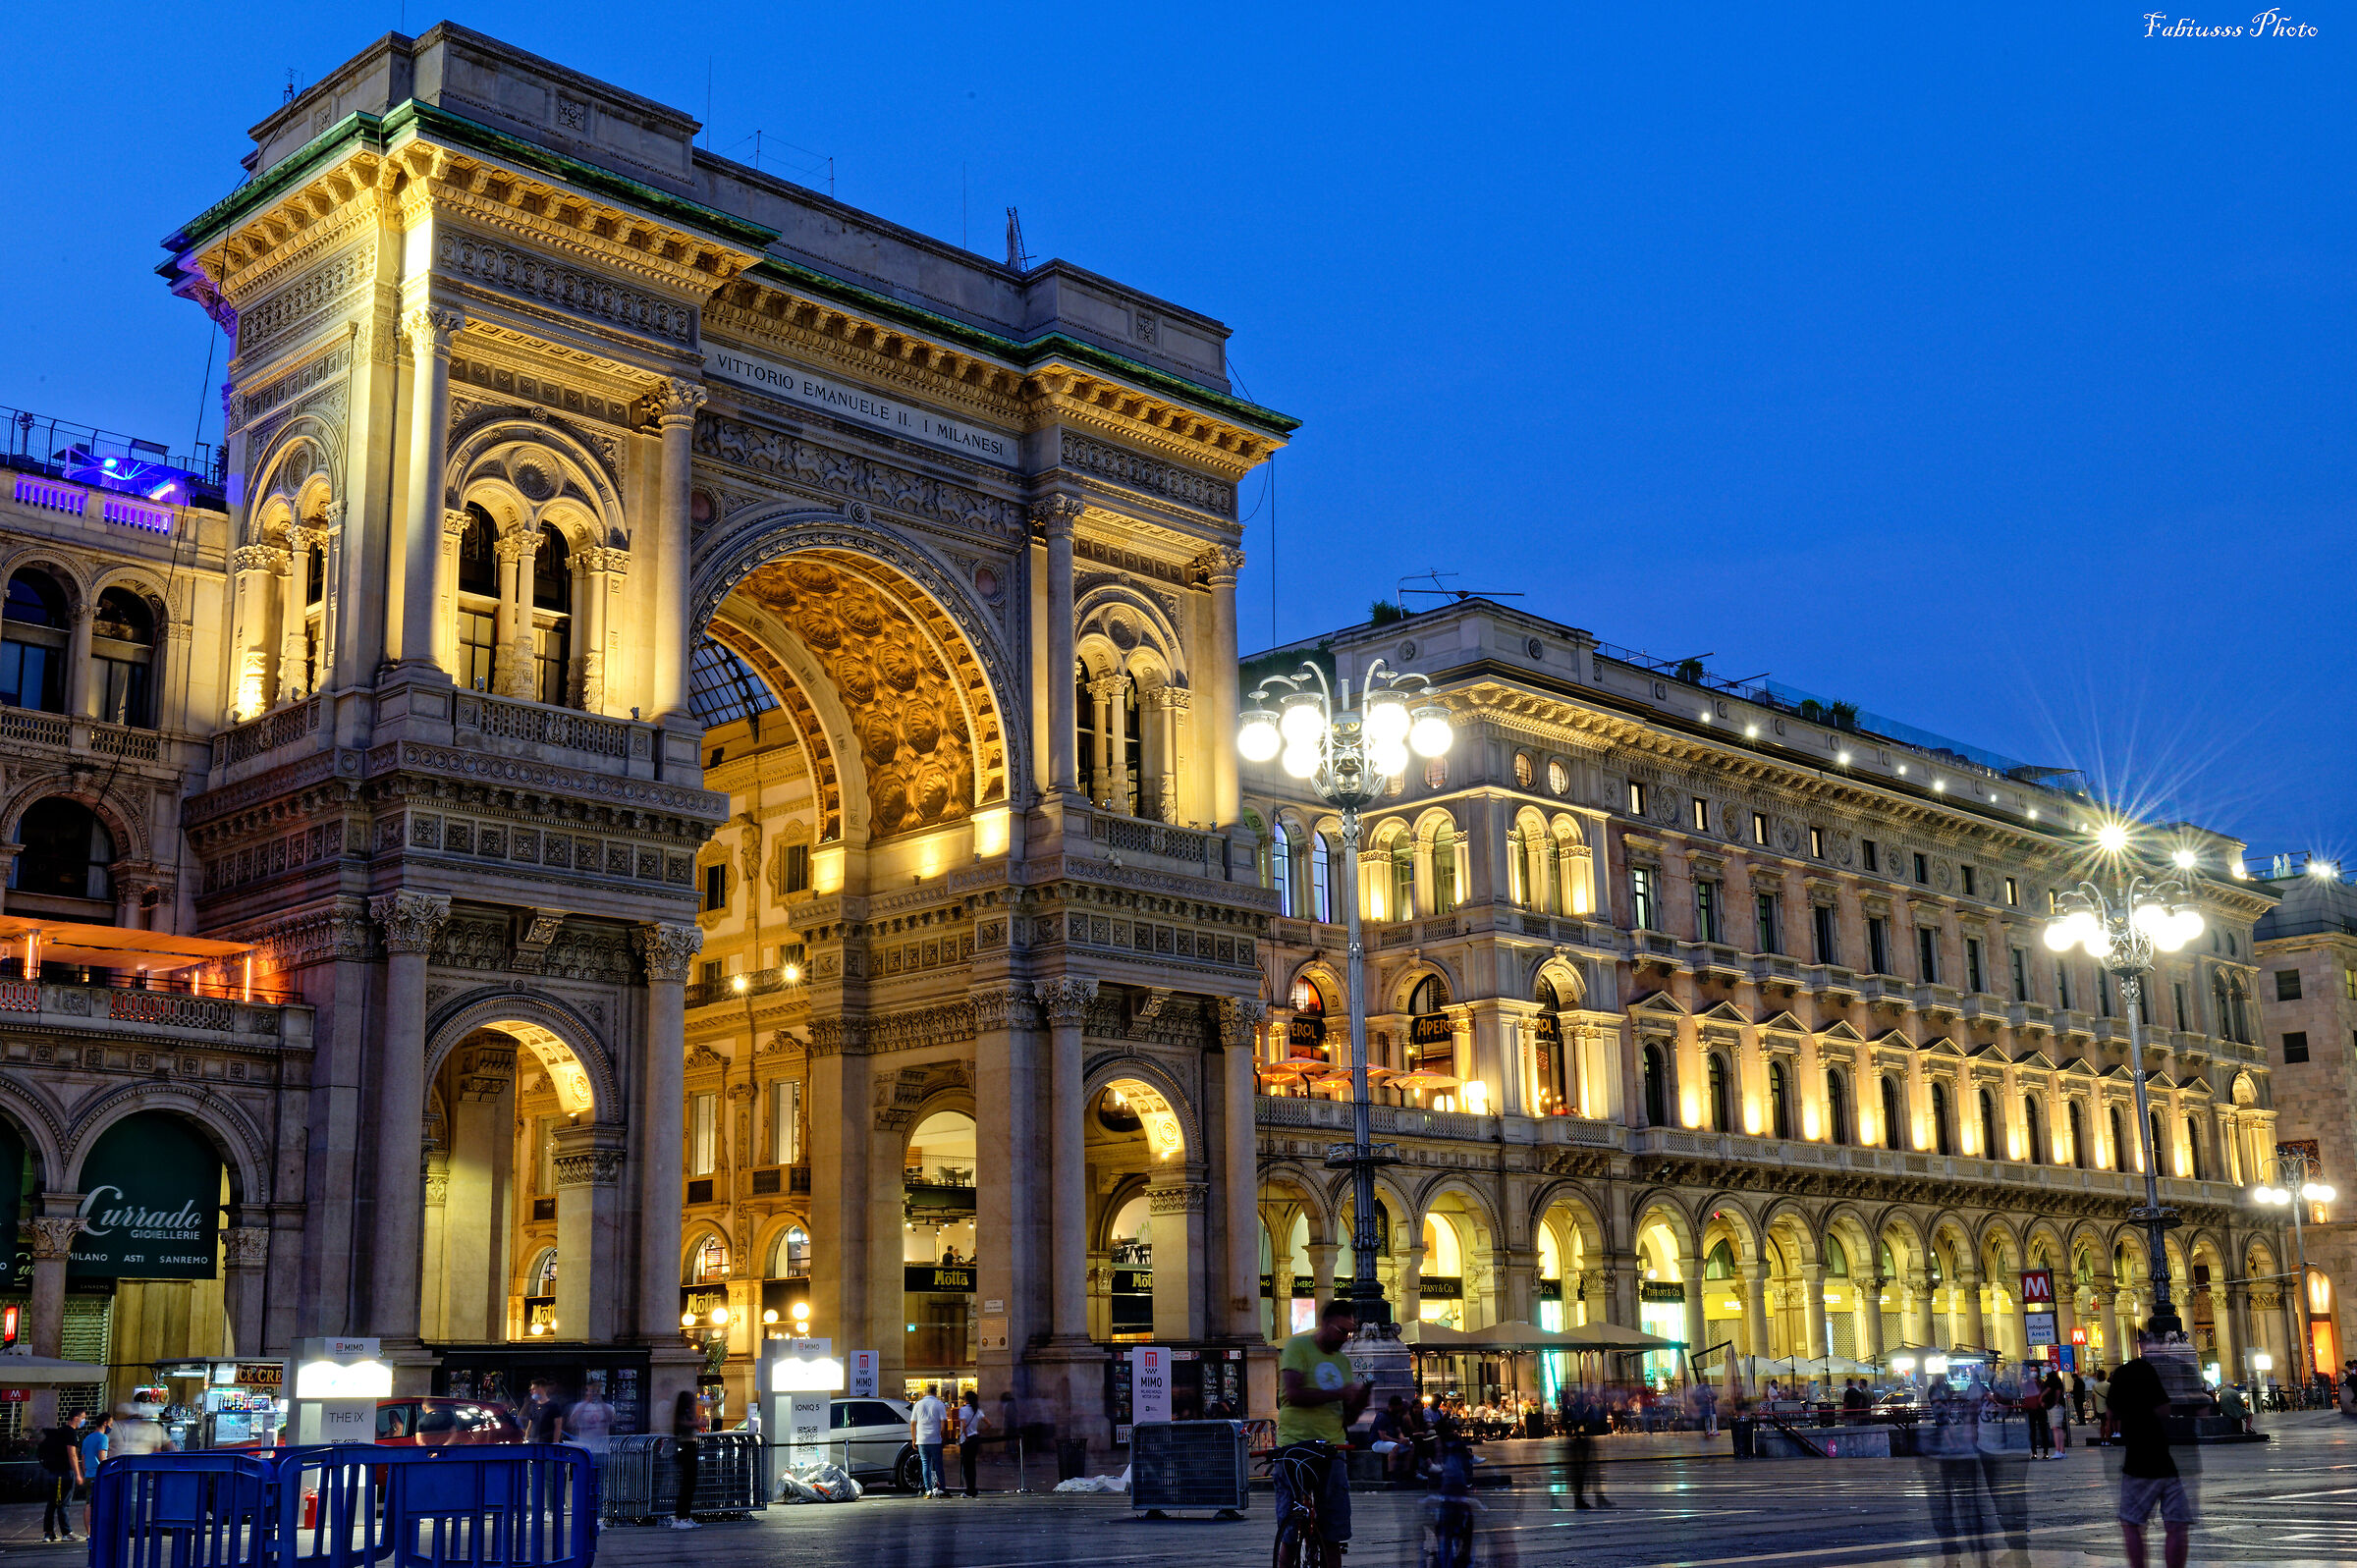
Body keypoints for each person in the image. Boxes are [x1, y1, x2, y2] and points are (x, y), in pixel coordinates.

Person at [1275, 1297, 1372, 1568]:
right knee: (1290, 1530)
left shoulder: (1342, 1361)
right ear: (1325, 1324)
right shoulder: (1298, 1347)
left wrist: (1358, 1404)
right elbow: (1293, 1394)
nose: (1345, 1338)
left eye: (1350, 1332)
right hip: (1295, 1446)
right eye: (1342, 1331)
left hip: (1333, 1447)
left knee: (1334, 1531)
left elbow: (1346, 1419)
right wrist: (1341, 1392)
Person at [2110, 1336, 2190, 1568]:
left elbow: (2110, 1415)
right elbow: (2164, 1408)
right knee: (2176, 1524)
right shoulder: (2154, 1370)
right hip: (2164, 1458)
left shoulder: (2126, 1373)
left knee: (2131, 1524)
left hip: (2138, 1461)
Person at [36, 1410, 85, 1543]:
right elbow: (72, 1454)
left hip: (54, 1471)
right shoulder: (70, 1432)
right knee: (63, 1502)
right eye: (82, 1418)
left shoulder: (60, 1431)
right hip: (63, 1472)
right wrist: (78, 1473)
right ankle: (66, 1532)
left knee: (52, 1502)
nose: (83, 1421)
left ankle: (49, 1533)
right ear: (76, 1418)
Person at [669, 1389, 705, 1530]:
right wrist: (697, 1423)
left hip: (689, 1446)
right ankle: (680, 1518)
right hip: (687, 1447)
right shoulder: (683, 1414)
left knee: (689, 1484)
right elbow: (685, 1425)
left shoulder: (687, 1413)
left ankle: (684, 1516)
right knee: (687, 1484)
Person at [910, 1381, 949, 1498]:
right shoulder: (939, 1404)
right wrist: (943, 1436)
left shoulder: (918, 1404)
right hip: (935, 1439)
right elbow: (944, 1422)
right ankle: (941, 1488)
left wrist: (914, 1438)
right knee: (938, 1465)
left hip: (922, 1439)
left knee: (925, 1464)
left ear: (926, 1392)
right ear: (935, 1392)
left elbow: (913, 1423)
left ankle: (928, 1490)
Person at [79, 1411, 112, 1539]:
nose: (111, 1427)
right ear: (105, 1423)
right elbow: (102, 1456)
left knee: (89, 1504)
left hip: (89, 1474)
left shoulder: (88, 1438)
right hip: (100, 1475)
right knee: (102, 1503)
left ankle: (89, 1533)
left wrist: (86, 1472)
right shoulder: (103, 1438)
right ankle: (101, 1530)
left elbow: (83, 1457)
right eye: (111, 1423)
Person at [957, 1388, 989, 1497]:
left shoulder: (963, 1410)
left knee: (966, 1466)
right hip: (975, 1438)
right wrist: (980, 1431)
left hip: (967, 1440)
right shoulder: (977, 1410)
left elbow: (964, 1425)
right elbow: (989, 1423)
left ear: (966, 1399)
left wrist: (966, 1436)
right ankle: (973, 1487)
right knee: (972, 1465)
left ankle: (969, 1490)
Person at [2026, 1368, 2056, 1458]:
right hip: (2031, 1409)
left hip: (2040, 1408)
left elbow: (2048, 1394)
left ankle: (2045, 1452)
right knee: (2032, 1431)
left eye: (2035, 1370)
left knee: (2043, 1430)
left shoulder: (2042, 1384)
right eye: (2031, 1370)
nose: (2033, 1372)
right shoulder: (2028, 1383)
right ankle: (2034, 1452)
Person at [2091, 1367, 2112, 1442]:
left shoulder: (2095, 1386)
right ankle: (2107, 1440)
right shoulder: (2108, 1385)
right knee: (2108, 1424)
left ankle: (2102, 1440)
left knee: (2102, 1424)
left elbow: (2093, 1398)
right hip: (2107, 1407)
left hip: (2099, 1407)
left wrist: (2094, 1409)